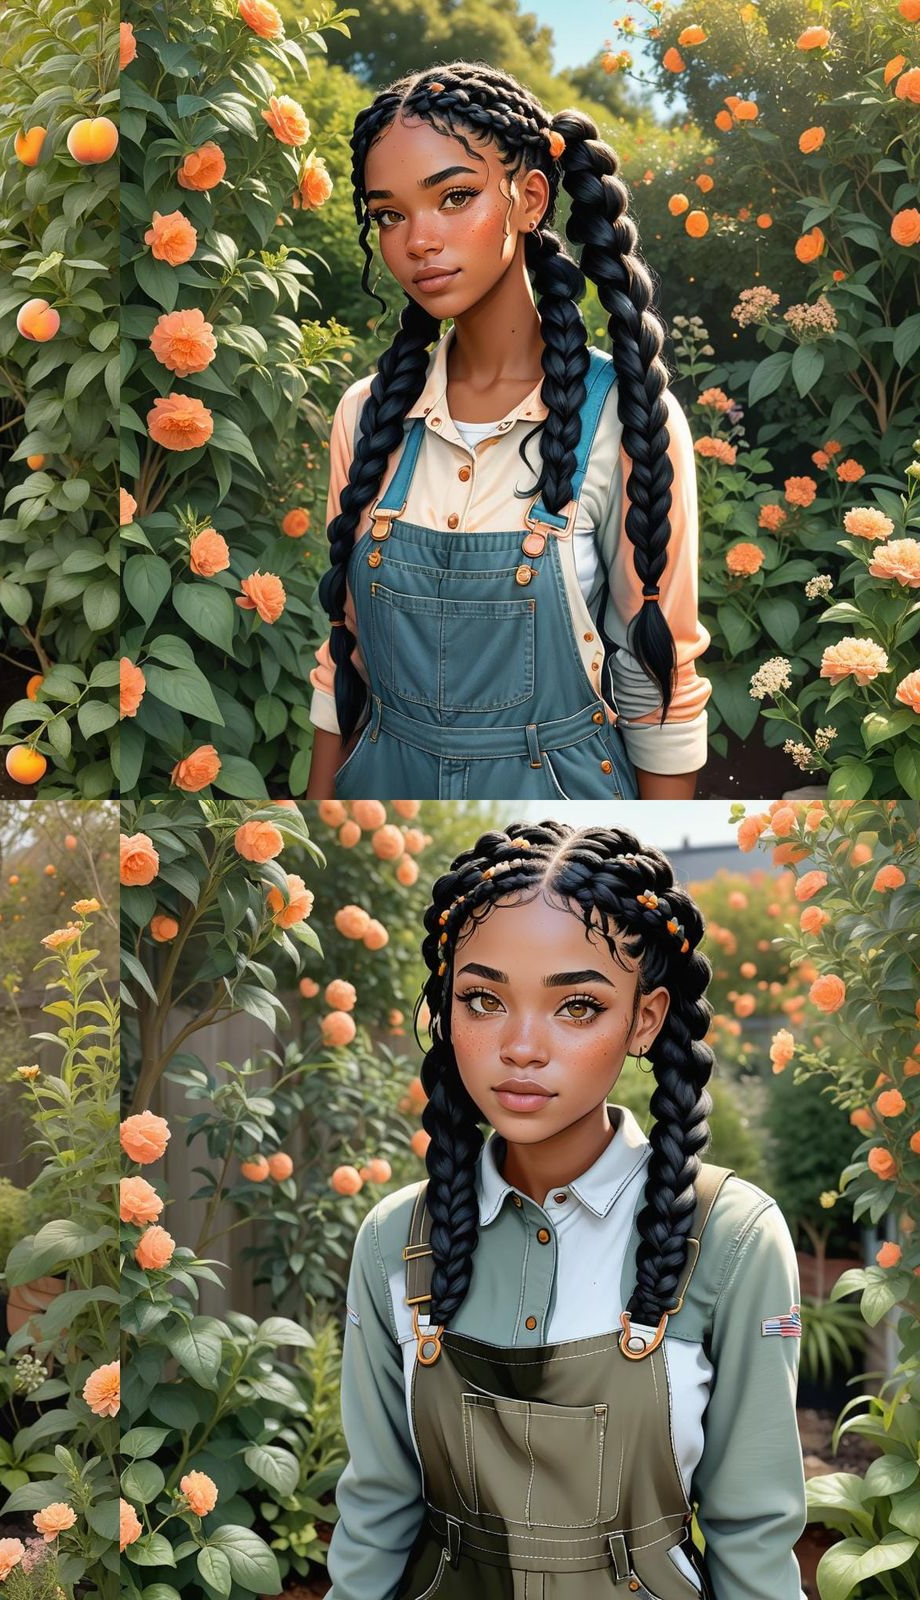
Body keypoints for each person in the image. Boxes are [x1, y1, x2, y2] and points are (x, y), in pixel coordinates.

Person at [329, 821, 806, 1600]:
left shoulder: (731, 1237)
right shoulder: (395, 1241)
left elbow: (755, 1537)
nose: (520, 1046)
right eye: (482, 999)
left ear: (645, 1020)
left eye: (576, 1006)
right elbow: (375, 1513)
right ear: (447, 1013)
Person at [307, 63, 710, 802]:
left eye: (454, 197)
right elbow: (344, 658)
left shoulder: (627, 417)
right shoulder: (366, 416)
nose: (418, 241)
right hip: (382, 783)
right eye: (389, 214)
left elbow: (661, 685)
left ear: (528, 198)